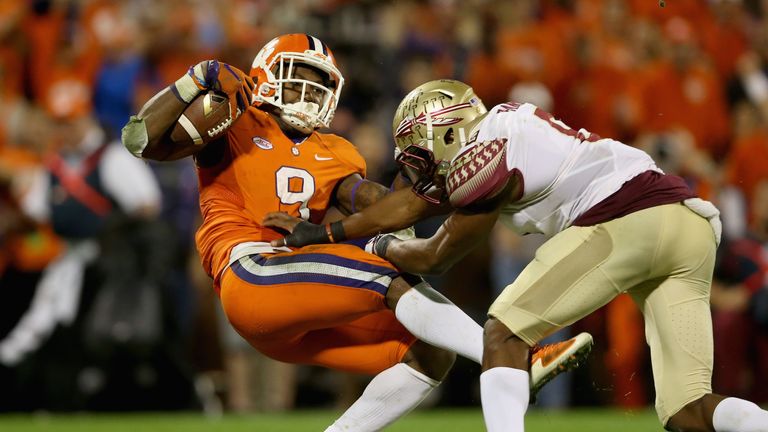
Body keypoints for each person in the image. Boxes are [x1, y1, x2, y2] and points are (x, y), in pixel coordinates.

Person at [121, 35, 590, 430]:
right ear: (266, 73)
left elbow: (374, 204)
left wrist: (435, 181)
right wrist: (194, 82)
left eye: (318, 83)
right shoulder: (238, 119)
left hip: (294, 298)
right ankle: (514, 361)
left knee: (429, 355)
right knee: (388, 279)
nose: (308, 92)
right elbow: (141, 140)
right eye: (298, 77)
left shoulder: (338, 150)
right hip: (250, 273)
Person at [264, 79, 768, 432]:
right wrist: (338, 234)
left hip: (629, 217)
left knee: (502, 332)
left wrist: (344, 238)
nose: (421, 170)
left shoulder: (486, 150)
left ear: (446, 131)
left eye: (421, 155)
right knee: (688, 411)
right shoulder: (503, 134)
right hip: (690, 226)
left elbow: (433, 250)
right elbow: (408, 207)